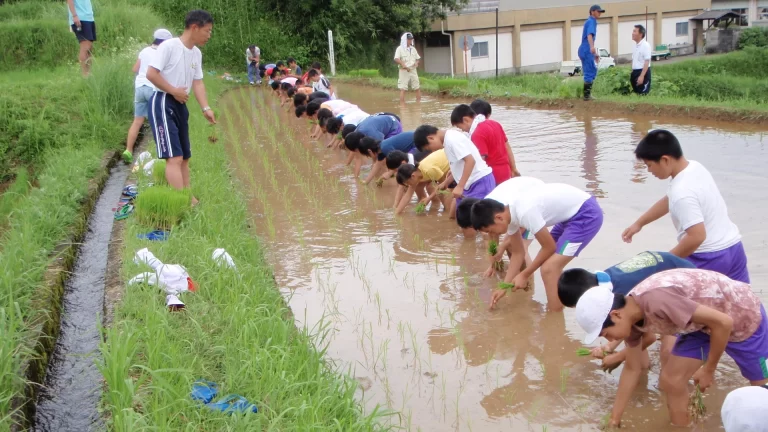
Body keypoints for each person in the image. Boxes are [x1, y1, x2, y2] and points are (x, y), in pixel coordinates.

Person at [575, 269, 768, 427]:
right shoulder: (631, 320)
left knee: (761, 389)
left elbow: (723, 323)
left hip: (740, 316)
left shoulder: (657, 301)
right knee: (671, 380)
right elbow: (632, 369)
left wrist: (709, 369)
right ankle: (682, 427)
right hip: (699, 325)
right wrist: (615, 418)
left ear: (616, 315)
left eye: (605, 333)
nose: (609, 339)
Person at [621, 130, 750, 284]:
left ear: (665, 160)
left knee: (668, 296)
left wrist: (665, 262)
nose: (649, 171)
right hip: (734, 248)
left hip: (708, 258)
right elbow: (669, 200)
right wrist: (639, 223)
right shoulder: (695, 167)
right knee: (746, 303)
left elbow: (697, 236)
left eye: (649, 165)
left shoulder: (682, 193)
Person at [471, 182, 603, 311]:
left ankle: (554, 317)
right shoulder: (510, 216)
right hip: (567, 218)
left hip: (585, 214)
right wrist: (504, 286)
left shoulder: (525, 212)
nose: (492, 235)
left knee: (549, 268)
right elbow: (518, 253)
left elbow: (549, 247)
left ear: (498, 218)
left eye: (490, 230)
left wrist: (524, 274)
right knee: (549, 266)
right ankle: (560, 305)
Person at [558, 251, 696, 370]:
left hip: (684, 285)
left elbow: (649, 337)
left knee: (668, 354)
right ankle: (643, 374)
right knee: (632, 336)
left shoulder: (621, 295)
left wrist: (618, 356)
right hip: (664, 271)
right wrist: (609, 347)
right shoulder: (604, 284)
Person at [146, 10, 216, 207]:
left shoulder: (196, 53)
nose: (209, 35)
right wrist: (173, 90)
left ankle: (188, 197)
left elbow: (198, 83)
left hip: (180, 104)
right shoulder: (169, 46)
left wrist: (206, 108)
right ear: (195, 27)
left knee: (184, 157)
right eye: (207, 31)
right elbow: (151, 74)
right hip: (163, 101)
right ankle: (182, 201)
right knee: (174, 157)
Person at [414, 125, 495, 234]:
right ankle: (468, 248)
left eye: (429, 148)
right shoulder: (447, 142)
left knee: (480, 224)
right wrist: (446, 182)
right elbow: (460, 165)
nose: (432, 151)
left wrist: (460, 186)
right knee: (462, 222)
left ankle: (483, 249)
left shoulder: (452, 140)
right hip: (468, 184)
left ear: (430, 138)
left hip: (479, 181)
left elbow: (470, 161)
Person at [123, 29, 173, 164]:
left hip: (139, 87)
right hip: (153, 88)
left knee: (137, 121)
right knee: (158, 122)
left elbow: (135, 69)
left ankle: (128, 150)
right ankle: (158, 152)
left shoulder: (144, 51)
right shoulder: (163, 53)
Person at [451, 104, 519, 185]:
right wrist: (514, 169)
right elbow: (507, 147)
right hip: (506, 172)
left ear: (465, 120)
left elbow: (479, 162)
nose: (463, 130)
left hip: (493, 176)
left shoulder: (477, 134)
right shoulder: (495, 123)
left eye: (460, 127)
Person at [394, 149, 452, 214]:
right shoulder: (417, 172)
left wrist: (429, 198)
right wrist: (396, 213)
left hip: (453, 158)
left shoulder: (428, 170)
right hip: (445, 166)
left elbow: (444, 185)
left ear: (413, 176)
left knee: (448, 205)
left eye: (408, 183)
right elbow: (407, 196)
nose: (409, 185)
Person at [578, 5, 604, 101]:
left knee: (592, 70)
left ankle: (587, 94)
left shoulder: (591, 21)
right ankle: (586, 96)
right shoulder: (591, 21)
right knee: (590, 71)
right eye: (598, 11)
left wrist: (594, 54)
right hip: (586, 49)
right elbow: (589, 35)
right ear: (592, 12)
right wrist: (592, 47)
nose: (600, 13)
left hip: (585, 49)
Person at [67, 0, 96, 77]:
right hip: (80, 18)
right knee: (85, 46)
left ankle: (89, 73)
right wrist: (74, 15)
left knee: (89, 47)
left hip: (89, 17)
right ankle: (85, 74)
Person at [394, 32, 421, 104]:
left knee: (417, 87)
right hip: (404, 70)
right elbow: (396, 58)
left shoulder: (413, 49)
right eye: (409, 39)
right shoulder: (399, 49)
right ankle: (402, 106)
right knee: (403, 88)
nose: (410, 41)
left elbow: (417, 58)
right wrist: (402, 63)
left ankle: (418, 104)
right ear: (405, 40)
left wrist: (416, 63)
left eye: (411, 39)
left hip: (413, 69)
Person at [631, 25, 651, 95]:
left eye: (635, 31)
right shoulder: (635, 46)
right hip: (635, 72)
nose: (632, 33)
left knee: (643, 94)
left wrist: (642, 76)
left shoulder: (645, 45)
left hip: (642, 72)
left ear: (640, 34)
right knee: (637, 94)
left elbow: (647, 61)